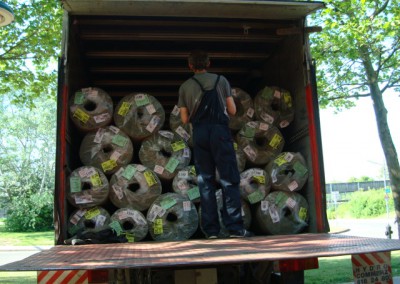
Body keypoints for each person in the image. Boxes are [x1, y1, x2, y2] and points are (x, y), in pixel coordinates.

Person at [178, 50, 252, 238]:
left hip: (200, 133)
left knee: (205, 181)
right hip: (219, 132)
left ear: (190, 66)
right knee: (229, 179)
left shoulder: (185, 87)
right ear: (209, 63)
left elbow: (185, 119)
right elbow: (233, 110)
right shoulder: (222, 81)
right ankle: (235, 228)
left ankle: (211, 231)